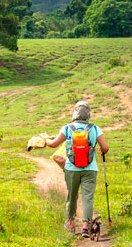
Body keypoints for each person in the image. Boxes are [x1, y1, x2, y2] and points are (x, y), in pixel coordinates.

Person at [45, 100, 109, 238]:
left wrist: (45, 140)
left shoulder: (68, 128)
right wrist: (101, 150)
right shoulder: (95, 128)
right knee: (88, 197)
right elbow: (105, 147)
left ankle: (71, 223)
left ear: (75, 112)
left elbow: (54, 144)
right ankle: (86, 227)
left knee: (72, 195)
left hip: (71, 168)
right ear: (88, 114)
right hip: (90, 169)